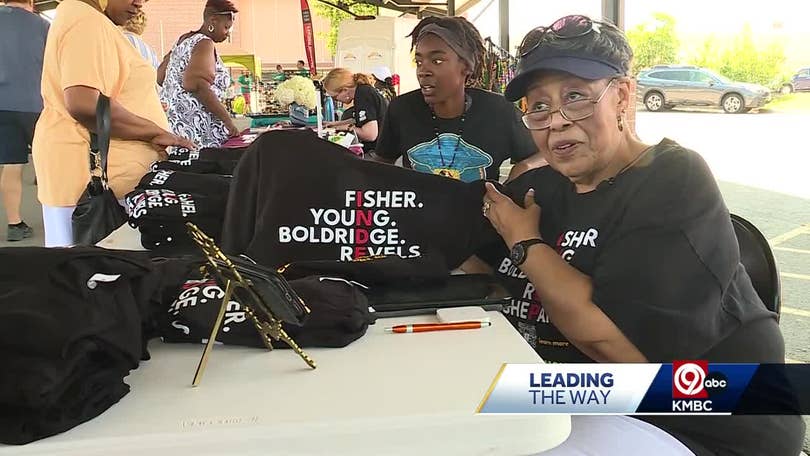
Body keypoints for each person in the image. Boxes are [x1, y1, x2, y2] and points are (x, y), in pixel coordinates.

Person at [467, 14, 805, 455]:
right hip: (593, 401)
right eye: (539, 106)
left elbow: (612, 349)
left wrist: (525, 243)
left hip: (701, 422)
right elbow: (463, 253)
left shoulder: (671, 177)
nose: (557, 121)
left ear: (623, 96)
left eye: (576, 97)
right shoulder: (542, 189)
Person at [32, 0, 194, 248]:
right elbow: (85, 103)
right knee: (88, 275)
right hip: (89, 181)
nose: (140, 3)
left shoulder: (89, 19)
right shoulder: (85, 20)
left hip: (92, 178)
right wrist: (154, 132)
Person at [373, 16, 537, 183]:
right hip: (419, 209)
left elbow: (543, 155)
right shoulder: (402, 109)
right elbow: (381, 165)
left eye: (437, 61)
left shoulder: (500, 111)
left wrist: (523, 169)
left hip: (479, 209)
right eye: (419, 61)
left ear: (466, 66)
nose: (423, 71)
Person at [158, 0, 239, 148]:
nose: (227, 34)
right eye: (226, 27)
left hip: (173, 125)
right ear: (213, 20)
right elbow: (197, 84)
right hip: (196, 130)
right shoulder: (204, 43)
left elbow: (160, 76)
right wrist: (227, 121)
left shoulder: (183, 39)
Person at [0, 0, 49, 242]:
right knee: (50, 159)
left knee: (12, 164)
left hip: (2, 104)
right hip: (35, 103)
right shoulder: (42, 25)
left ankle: (14, 224)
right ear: (31, 2)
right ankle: (58, 215)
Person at [322, 68, 387, 155]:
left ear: (344, 90)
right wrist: (335, 124)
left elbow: (370, 135)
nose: (336, 101)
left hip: (377, 153)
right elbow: (360, 120)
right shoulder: (363, 91)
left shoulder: (363, 94)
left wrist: (346, 127)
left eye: (334, 97)